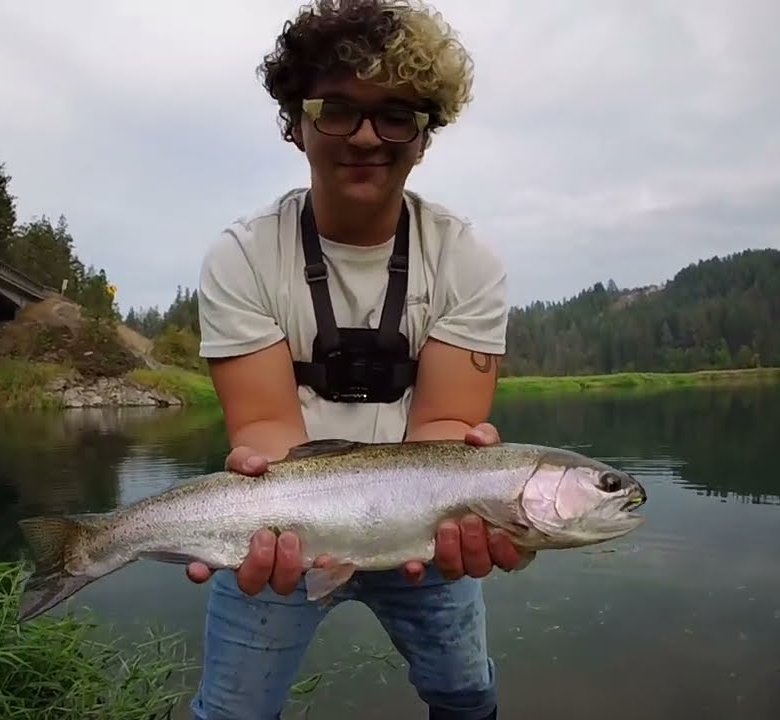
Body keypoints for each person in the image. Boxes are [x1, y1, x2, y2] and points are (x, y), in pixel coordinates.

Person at [189, 1, 522, 717]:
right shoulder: (243, 256)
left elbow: (444, 431)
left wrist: (474, 513)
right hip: (280, 522)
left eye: (396, 115)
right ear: (296, 123)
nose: (367, 136)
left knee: (467, 697)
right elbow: (267, 430)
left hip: (426, 529)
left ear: (424, 137)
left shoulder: (468, 262)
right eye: (337, 110)